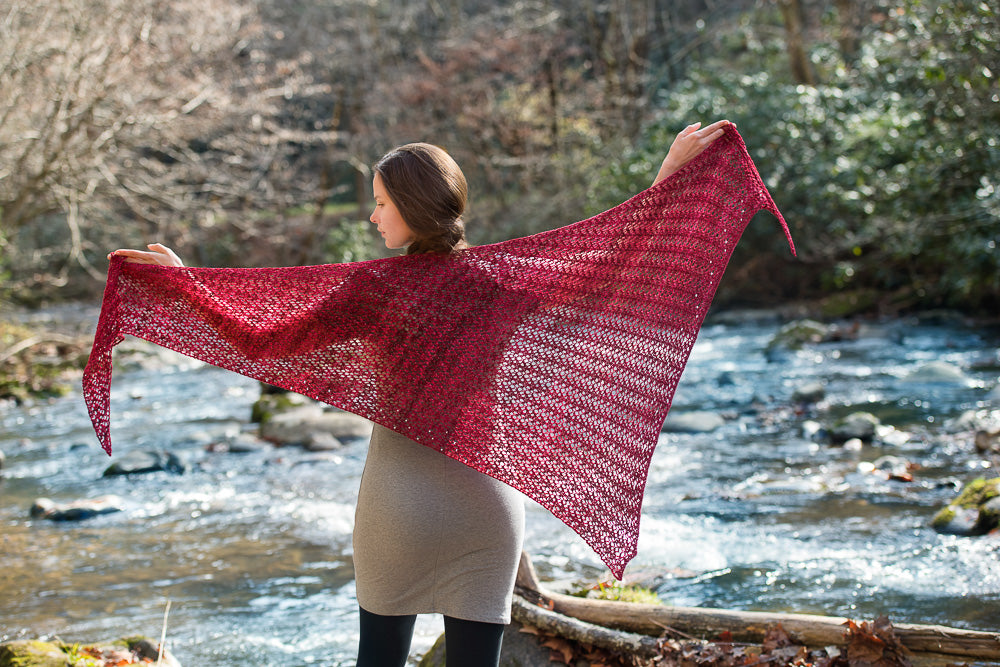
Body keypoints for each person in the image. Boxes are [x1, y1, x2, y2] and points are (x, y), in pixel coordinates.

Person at [109, 119, 731, 666]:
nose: (372, 215)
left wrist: (188, 287)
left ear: (409, 206)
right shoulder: (504, 278)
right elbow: (614, 259)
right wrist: (666, 182)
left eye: (380, 202)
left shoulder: (373, 289)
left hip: (397, 509)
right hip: (485, 512)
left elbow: (262, 339)